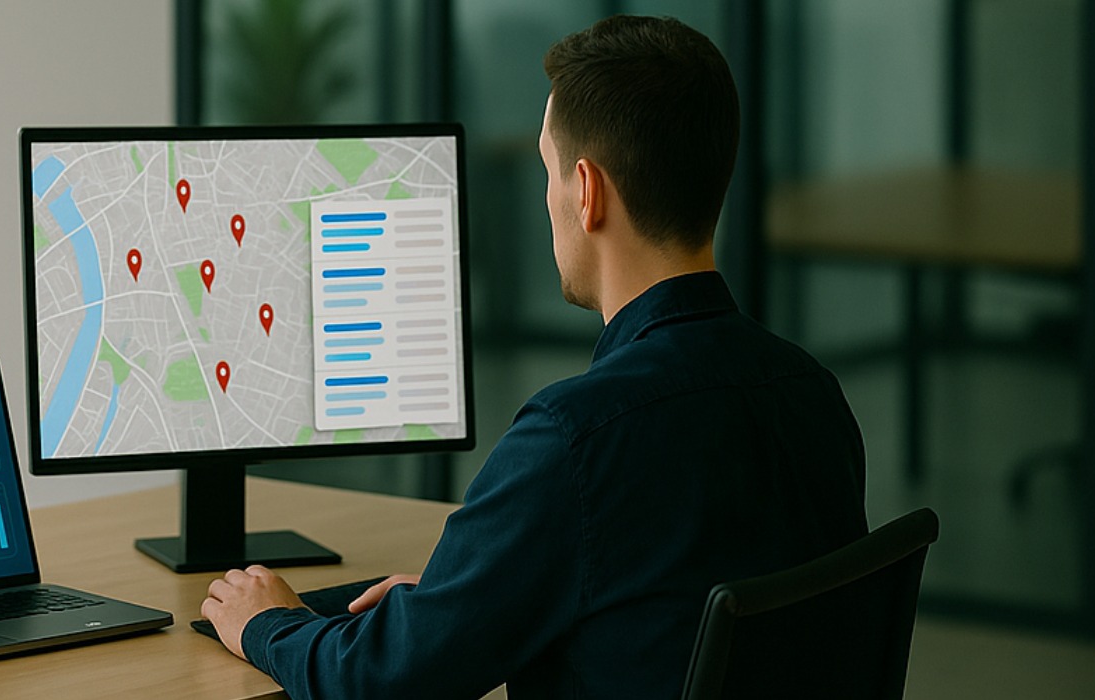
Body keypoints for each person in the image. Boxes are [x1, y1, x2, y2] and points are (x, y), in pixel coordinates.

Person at [200, 15, 869, 699]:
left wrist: (268, 622)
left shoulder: (574, 437)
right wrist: (470, 600)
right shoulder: (813, 394)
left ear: (586, 190)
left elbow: (379, 682)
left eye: (548, 171)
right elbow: (674, 597)